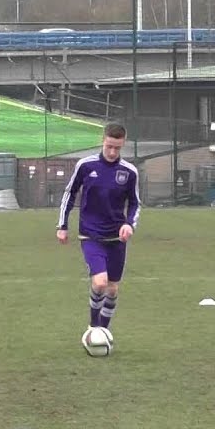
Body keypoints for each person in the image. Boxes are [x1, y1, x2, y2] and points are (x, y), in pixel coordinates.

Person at [56, 122, 140, 342]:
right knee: (100, 282)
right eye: (109, 146)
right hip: (91, 235)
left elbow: (135, 203)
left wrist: (129, 224)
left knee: (112, 289)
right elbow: (69, 194)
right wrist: (62, 225)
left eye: (117, 148)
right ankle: (93, 327)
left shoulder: (129, 172)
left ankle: (103, 330)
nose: (112, 152)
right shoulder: (85, 165)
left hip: (117, 237)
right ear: (102, 140)